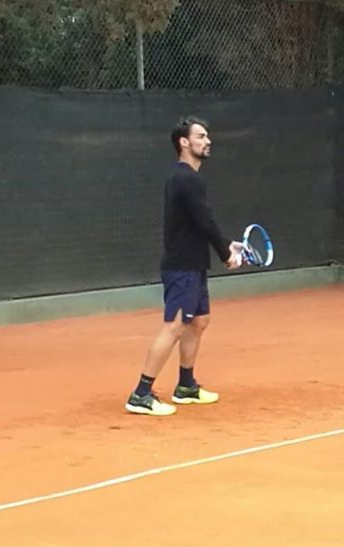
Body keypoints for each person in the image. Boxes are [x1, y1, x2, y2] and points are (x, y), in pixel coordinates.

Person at [126, 116, 244, 416]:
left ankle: (186, 386)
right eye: (201, 136)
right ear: (184, 142)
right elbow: (205, 221)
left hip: (193, 264)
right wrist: (225, 254)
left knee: (199, 321)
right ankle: (141, 393)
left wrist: (227, 244)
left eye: (207, 136)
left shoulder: (186, 178)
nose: (208, 141)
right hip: (182, 267)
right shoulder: (187, 179)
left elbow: (198, 222)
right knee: (175, 326)